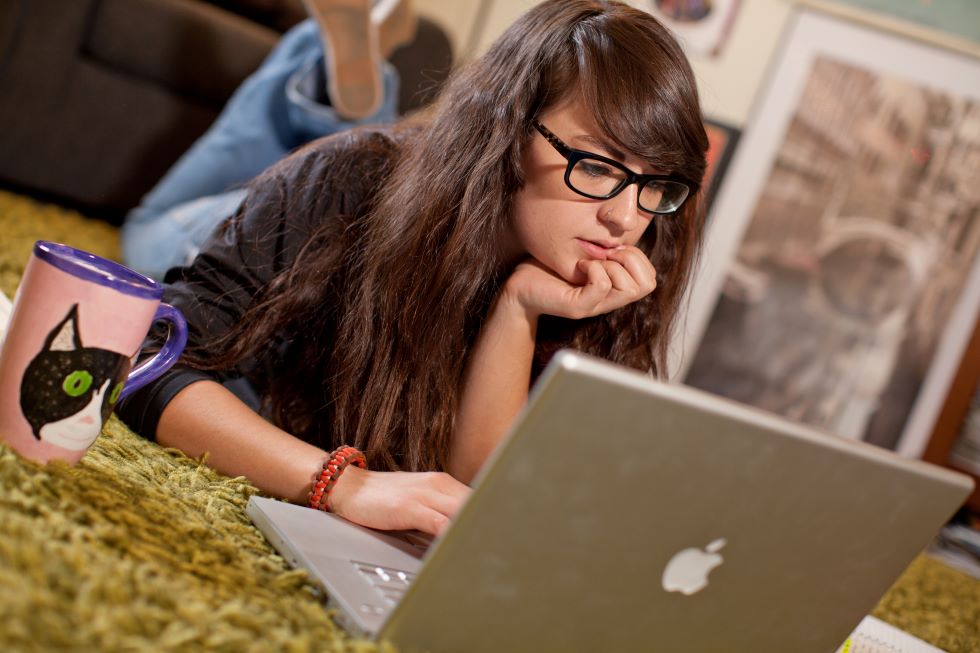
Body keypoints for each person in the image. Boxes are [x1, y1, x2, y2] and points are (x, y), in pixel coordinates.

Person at [116, 0, 709, 538]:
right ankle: (325, 54)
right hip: (240, 223)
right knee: (149, 226)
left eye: (654, 182)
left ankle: (352, 68)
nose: (626, 219)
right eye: (598, 166)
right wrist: (343, 484)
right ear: (508, 127)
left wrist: (517, 309)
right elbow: (143, 360)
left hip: (387, 181)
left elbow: (474, 495)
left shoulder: (623, 268)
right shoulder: (343, 185)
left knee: (340, 137)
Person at [121, 0, 416, 280]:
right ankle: (351, 83)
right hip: (348, 239)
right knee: (324, 176)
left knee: (141, 231)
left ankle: (345, 72)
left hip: (280, 232)